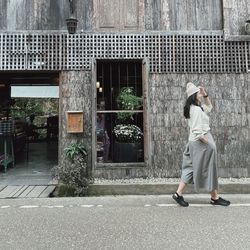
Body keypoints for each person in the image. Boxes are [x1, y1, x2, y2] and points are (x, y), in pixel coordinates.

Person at [172, 82, 230, 207]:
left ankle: (178, 194)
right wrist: (208, 144)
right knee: (209, 167)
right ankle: (214, 198)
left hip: (192, 142)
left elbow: (209, 107)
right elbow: (198, 132)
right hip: (201, 142)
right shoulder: (197, 110)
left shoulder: (193, 108)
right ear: (194, 96)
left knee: (190, 168)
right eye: (198, 93)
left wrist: (205, 94)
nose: (200, 94)